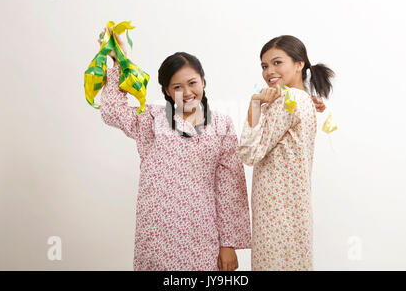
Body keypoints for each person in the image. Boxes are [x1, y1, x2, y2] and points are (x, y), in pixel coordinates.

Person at [98, 28, 251, 270]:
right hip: (158, 233)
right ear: (167, 91)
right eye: (177, 87)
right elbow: (112, 111)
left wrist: (228, 244)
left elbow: (230, 187)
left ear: (203, 81)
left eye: (192, 83)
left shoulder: (222, 124)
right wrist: (119, 62)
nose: (188, 92)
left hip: (203, 233)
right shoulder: (151, 119)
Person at [238, 35, 334, 270]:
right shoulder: (301, 100)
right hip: (291, 211)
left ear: (299, 64)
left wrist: (255, 104)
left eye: (277, 62)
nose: (269, 71)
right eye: (264, 65)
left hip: (277, 215)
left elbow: (250, 153)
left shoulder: (288, 100)